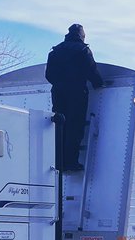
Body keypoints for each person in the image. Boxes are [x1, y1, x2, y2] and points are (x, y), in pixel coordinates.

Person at [45, 23, 104, 172]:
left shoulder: (55, 51)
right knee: (75, 126)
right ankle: (71, 162)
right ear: (81, 36)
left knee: (59, 126)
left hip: (58, 93)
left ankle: (59, 161)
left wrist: (59, 83)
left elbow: (49, 75)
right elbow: (92, 70)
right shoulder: (83, 50)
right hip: (77, 93)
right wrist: (98, 84)